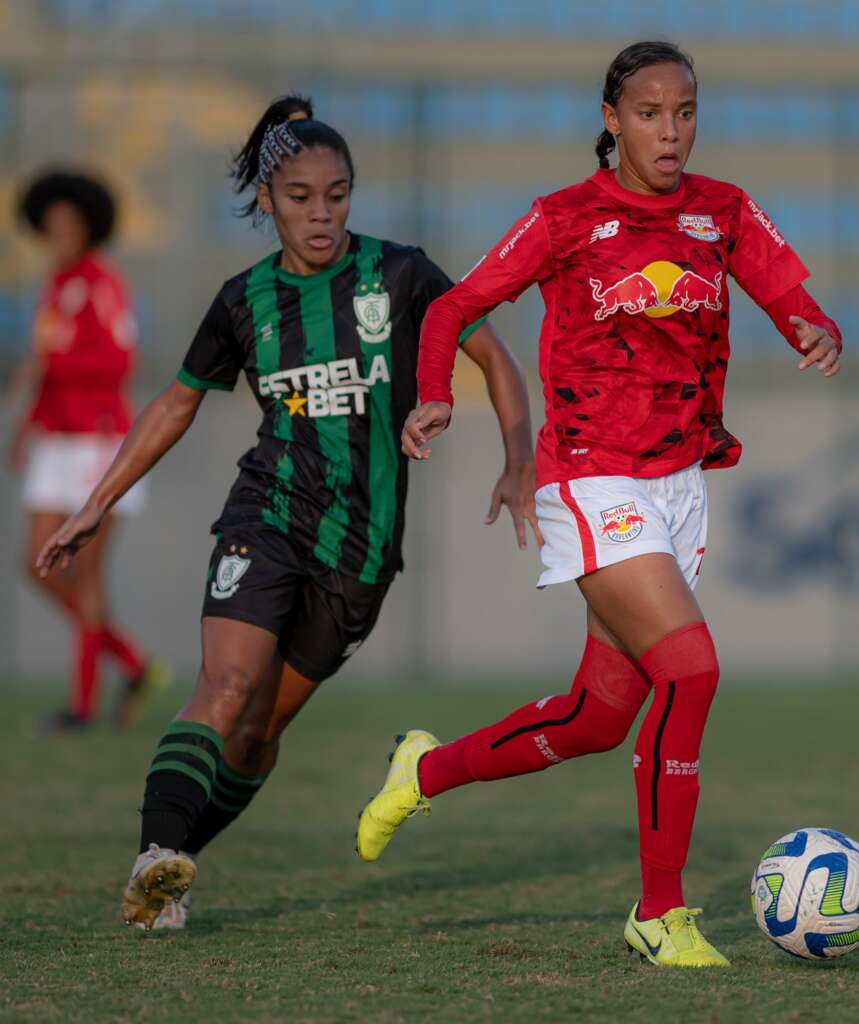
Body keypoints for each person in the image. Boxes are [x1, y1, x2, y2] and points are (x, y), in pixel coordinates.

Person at [356, 41, 842, 969]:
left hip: (680, 479)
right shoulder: (565, 219)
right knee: (690, 672)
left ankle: (421, 771)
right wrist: (435, 394)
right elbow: (451, 310)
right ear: (611, 120)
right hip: (590, 475)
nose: (671, 130)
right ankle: (660, 913)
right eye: (651, 112)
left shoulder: (722, 210)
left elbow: (788, 290)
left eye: (686, 111)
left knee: (597, 716)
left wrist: (811, 327)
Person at [36, 96, 537, 930]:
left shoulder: (401, 273)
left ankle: (167, 870)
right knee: (226, 686)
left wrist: (520, 456)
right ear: (267, 199)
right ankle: (157, 858)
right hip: (265, 514)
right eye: (301, 196)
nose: (322, 213)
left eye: (337, 194)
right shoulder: (245, 301)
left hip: (362, 550)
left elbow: (494, 353)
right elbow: (174, 403)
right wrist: (96, 503)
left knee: (259, 734)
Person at [9, 170, 166, 732]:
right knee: (38, 564)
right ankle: (131, 662)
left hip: (98, 442)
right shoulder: (53, 288)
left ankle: (82, 705)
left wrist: (48, 366)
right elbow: (44, 368)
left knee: (87, 573)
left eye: (66, 227)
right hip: (56, 441)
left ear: (87, 228)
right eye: (49, 228)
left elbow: (121, 361)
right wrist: (27, 426)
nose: (57, 237)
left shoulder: (104, 283)